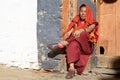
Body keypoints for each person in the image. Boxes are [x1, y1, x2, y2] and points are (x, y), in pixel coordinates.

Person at [48, 4, 98, 79]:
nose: (83, 13)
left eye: (85, 11)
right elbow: (71, 31)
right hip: (77, 44)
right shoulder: (76, 21)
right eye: (81, 11)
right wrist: (69, 32)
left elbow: (89, 29)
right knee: (73, 44)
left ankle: (63, 44)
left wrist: (81, 30)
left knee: (83, 34)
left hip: (86, 47)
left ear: (88, 13)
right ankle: (71, 69)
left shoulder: (92, 22)